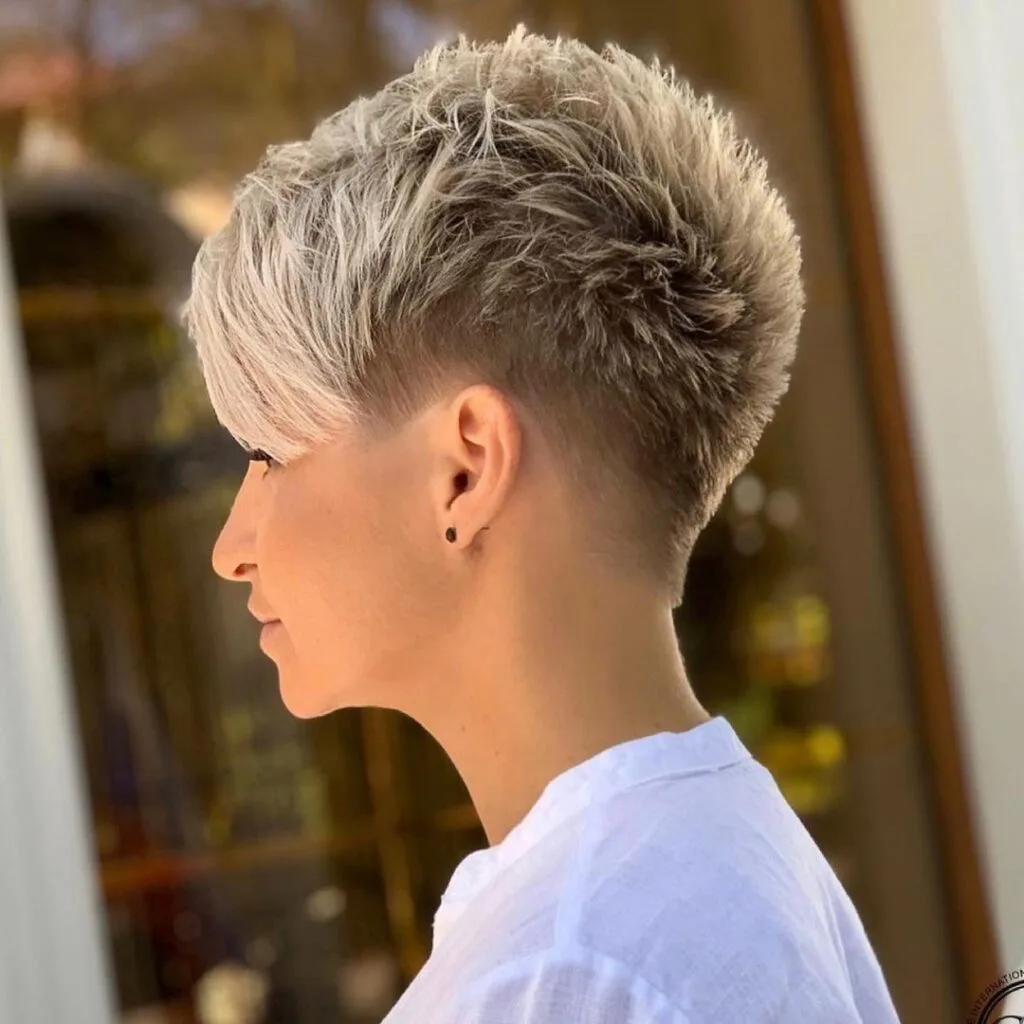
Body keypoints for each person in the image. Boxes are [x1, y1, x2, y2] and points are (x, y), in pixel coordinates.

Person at [185, 26, 902, 1024]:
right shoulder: (716, 866)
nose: (230, 548)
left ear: (465, 468)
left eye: (269, 453)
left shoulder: (572, 967)